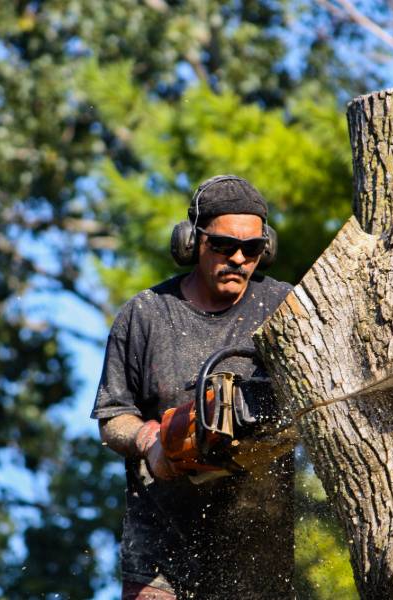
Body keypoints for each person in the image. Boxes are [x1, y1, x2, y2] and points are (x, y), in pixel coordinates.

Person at [91, 175, 295, 599]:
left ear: (266, 249)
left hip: (257, 549)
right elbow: (113, 418)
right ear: (191, 242)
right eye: (224, 245)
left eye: (252, 249)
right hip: (160, 550)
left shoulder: (285, 308)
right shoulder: (145, 314)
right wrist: (152, 441)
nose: (239, 258)